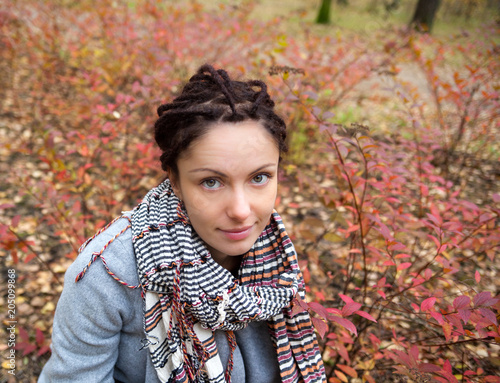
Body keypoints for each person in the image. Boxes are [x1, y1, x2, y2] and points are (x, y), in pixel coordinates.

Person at [39, 64, 326, 383]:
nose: (242, 211)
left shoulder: (276, 255)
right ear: (174, 179)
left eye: (259, 177)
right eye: (211, 182)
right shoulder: (106, 274)